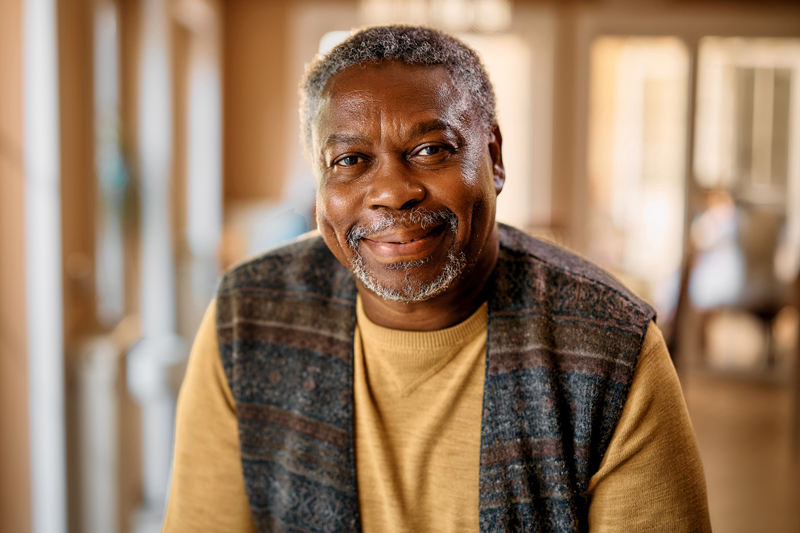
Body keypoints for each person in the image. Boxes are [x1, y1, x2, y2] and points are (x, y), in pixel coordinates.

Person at [163, 25, 711, 533]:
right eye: (350, 159)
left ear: (493, 159)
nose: (391, 191)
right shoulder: (248, 317)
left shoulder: (611, 347)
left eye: (430, 150)